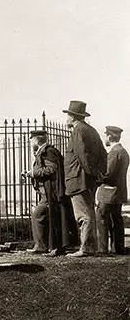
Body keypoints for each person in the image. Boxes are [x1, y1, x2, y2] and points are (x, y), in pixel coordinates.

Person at [62, 100, 107, 257]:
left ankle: (86, 248)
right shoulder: (92, 130)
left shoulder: (78, 131)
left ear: (73, 117)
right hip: (88, 179)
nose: (66, 119)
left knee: (83, 215)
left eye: (68, 115)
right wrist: (98, 174)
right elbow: (103, 154)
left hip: (79, 179)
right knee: (88, 212)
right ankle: (90, 247)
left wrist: (91, 173)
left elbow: (82, 155)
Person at [24, 130, 78, 256]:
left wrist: (33, 173)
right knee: (44, 215)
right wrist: (31, 173)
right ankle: (43, 246)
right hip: (47, 192)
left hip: (51, 193)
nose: (31, 142)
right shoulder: (45, 151)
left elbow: (52, 169)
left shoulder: (48, 151)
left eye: (31, 139)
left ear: (37, 140)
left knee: (41, 213)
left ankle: (45, 246)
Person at [96, 126, 129, 255]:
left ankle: (102, 249)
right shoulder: (124, 152)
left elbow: (108, 174)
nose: (105, 138)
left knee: (102, 217)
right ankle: (118, 248)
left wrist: (96, 179)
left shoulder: (114, 152)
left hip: (109, 192)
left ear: (109, 136)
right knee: (116, 219)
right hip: (119, 192)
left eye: (106, 136)